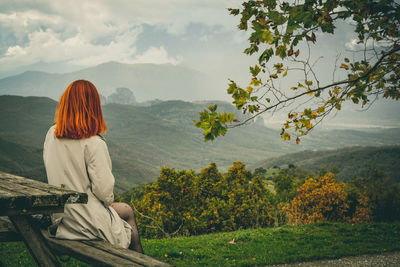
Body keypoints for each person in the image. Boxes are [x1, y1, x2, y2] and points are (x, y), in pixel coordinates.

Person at [43, 80, 143, 253]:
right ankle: (141, 260)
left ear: (65, 103)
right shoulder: (94, 142)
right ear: (93, 107)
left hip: (59, 218)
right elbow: (105, 194)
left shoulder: (52, 134)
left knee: (122, 211)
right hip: (85, 223)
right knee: (126, 210)